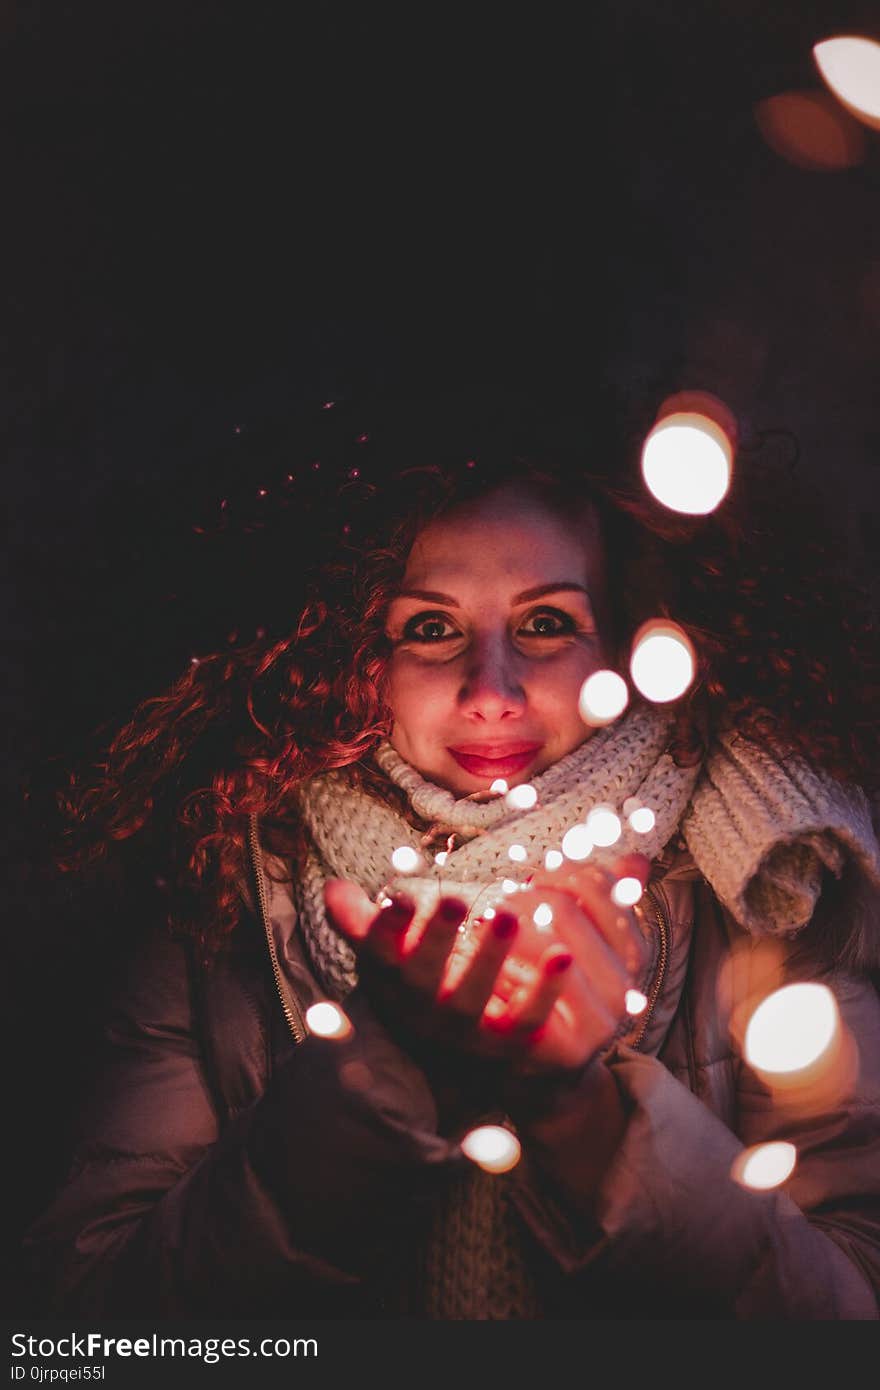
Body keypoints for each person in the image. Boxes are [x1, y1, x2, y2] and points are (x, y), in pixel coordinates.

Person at [23, 401, 880, 1319]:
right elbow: (86, 1329)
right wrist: (376, 1078)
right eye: (430, 629)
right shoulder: (230, 896)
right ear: (351, 654)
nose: (491, 692)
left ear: (629, 636)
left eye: (547, 622)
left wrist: (586, 1117)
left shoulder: (767, 891)